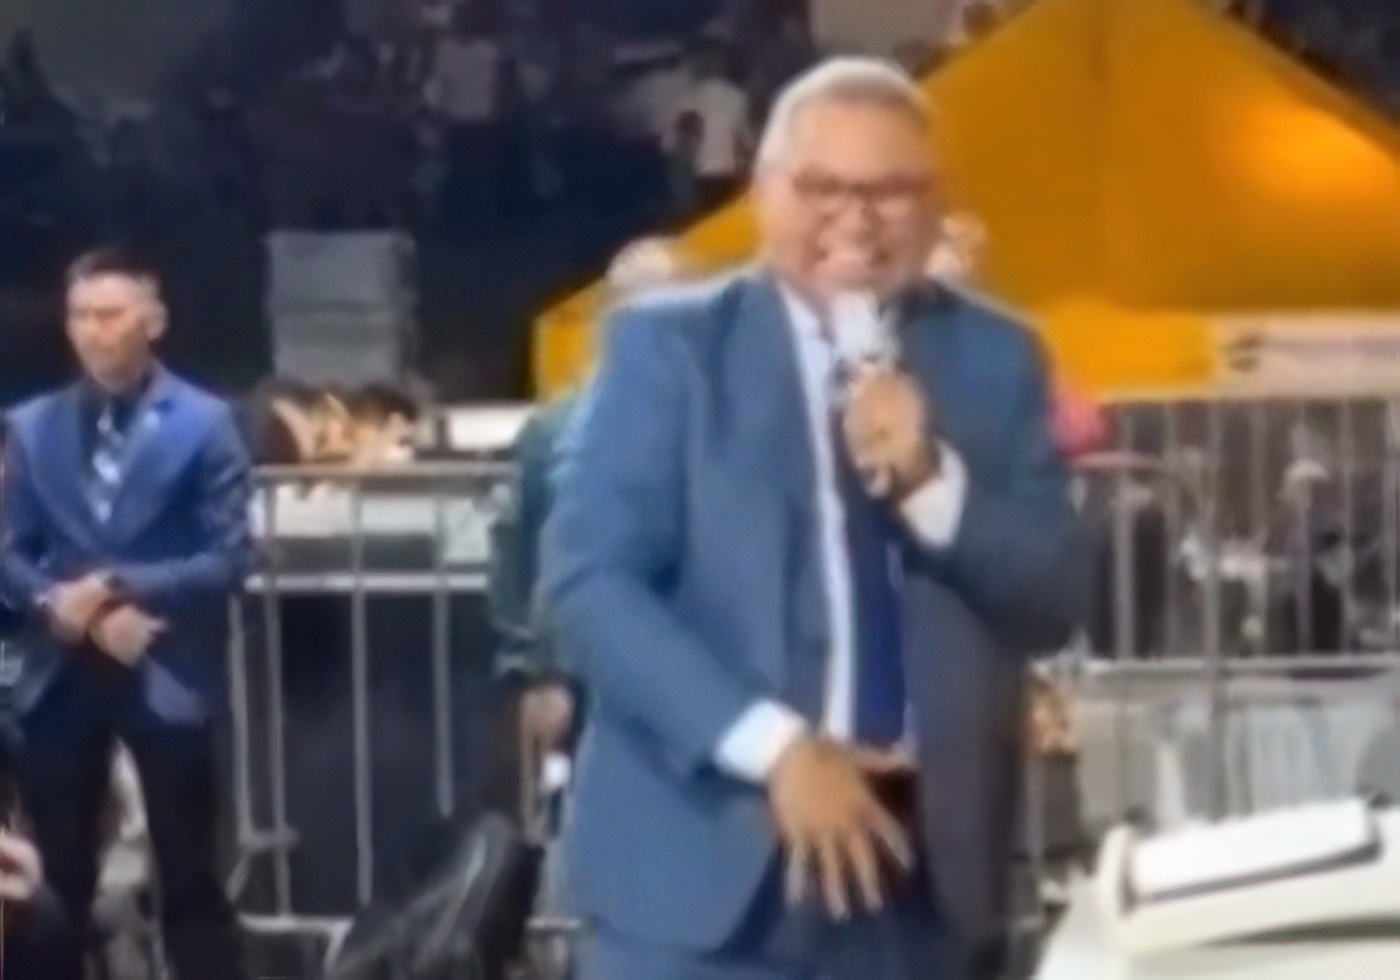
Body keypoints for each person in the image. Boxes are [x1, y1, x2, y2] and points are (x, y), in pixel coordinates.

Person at [543, 58, 1090, 980]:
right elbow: (590, 586)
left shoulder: (999, 358)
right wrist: (781, 752)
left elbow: (1053, 597)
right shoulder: (667, 349)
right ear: (763, 194)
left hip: (920, 892)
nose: (856, 219)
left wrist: (930, 483)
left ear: (938, 202)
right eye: (821, 187)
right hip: (697, 892)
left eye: (890, 190)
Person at [0, 247, 251, 980]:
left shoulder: (206, 423)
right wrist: (62, 606)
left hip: (165, 669)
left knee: (189, 878)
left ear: (153, 320)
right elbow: (10, 552)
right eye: (80, 316)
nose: (93, 331)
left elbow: (228, 558)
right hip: (59, 677)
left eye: (110, 315)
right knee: (57, 881)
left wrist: (115, 587)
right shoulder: (31, 426)